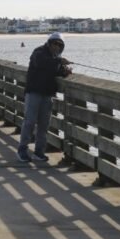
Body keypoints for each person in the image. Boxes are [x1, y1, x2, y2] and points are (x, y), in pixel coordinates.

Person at [17, 32, 72, 162]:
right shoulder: (39, 52)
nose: (56, 47)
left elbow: (56, 71)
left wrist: (65, 71)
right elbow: (42, 63)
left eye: (59, 45)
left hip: (47, 95)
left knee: (44, 125)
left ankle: (39, 152)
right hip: (34, 93)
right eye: (54, 43)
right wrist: (59, 60)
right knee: (29, 122)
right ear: (49, 43)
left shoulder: (56, 59)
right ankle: (22, 150)